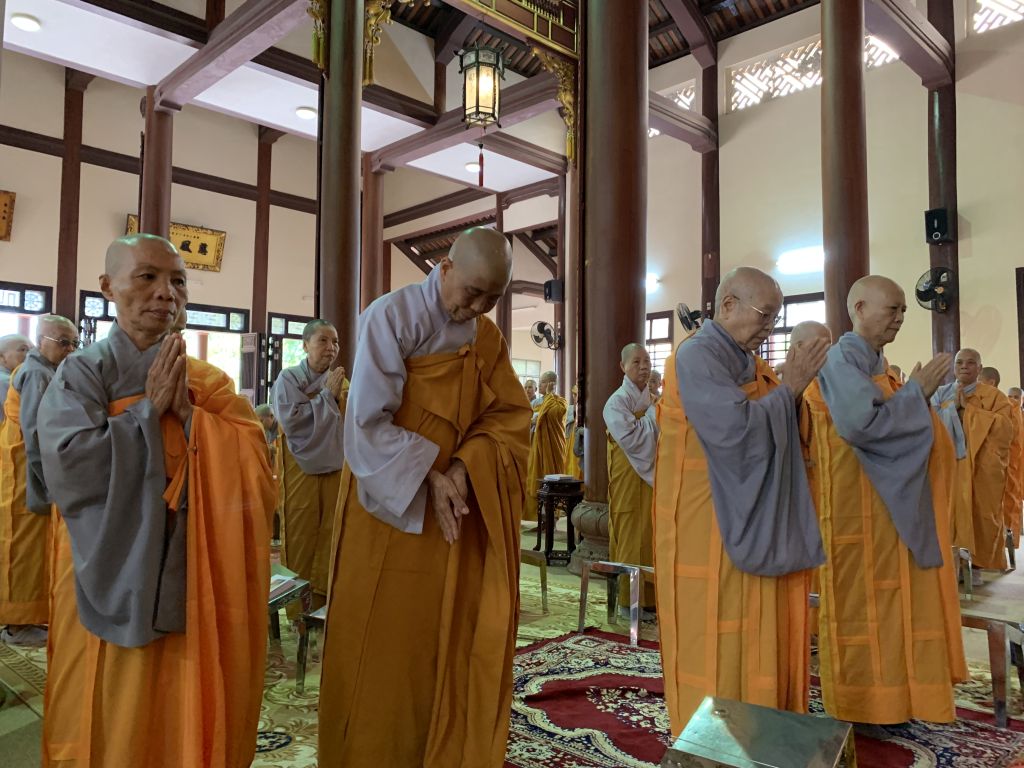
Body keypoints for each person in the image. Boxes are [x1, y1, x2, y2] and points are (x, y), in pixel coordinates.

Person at [38, 234, 275, 767]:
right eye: (147, 277)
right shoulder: (82, 374)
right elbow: (70, 464)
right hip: (104, 561)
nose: (166, 293)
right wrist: (148, 413)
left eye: (178, 282)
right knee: (109, 704)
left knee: (183, 696)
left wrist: (191, 418)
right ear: (108, 287)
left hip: (192, 568)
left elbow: (256, 466)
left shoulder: (208, 384)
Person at [318, 227, 531, 768]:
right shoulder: (390, 317)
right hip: (391, 509)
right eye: (473, 292)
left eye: (492, 299)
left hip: (456, 511)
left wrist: (464, 466)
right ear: (445, 267)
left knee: (447, 641)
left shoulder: (487, 339)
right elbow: (366, 425)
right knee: (384, 649)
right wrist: (430, 477)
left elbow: (508, 417)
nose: (477, 308)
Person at [653, 267, 827, 732]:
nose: (770, 326)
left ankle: (765, 725)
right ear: (728, 305)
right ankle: (716, 736)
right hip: (711, 525)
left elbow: (777, 423)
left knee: (760, 624)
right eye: (765, 315)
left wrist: (791, 397)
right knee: (719, 632)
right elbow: (733, 433)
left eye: (776, 318)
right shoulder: (696, 356)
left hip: (753, 514)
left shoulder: (750, 360)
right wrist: (790, 388)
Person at [802, 275, 966, 724]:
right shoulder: (840, 360)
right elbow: (863, 426)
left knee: (898, 604)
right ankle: (861, 702)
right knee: (863, 608)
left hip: (888, 507)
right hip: (856, 512)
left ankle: (897, 698)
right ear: (858, 309)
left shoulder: (877, 364)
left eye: (903, 311)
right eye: (892, 309)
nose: (899, 318)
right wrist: (917, 393)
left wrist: (913, 396)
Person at [0, 316, 77, 646]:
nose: (70, 349)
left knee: (32, 547)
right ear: (42, 340)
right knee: (22, 546)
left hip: (27, 465)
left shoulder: (45, 370)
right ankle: (17, 625)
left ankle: (27, 617)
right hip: (26, 469)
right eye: (64, 342)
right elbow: (35, 432)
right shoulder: (36, 373)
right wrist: (48, 481)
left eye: (74, 343)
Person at [271, 320, 347, 605]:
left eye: (335, 341)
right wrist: (327, 397)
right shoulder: (289, 379)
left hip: (335, 469)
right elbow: (292, 422)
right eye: (323, 340)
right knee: (300, 533)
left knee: (331, 533)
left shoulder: (342, 384)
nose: (331, 348)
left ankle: (325, 607)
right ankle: (298, 610)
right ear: (305, 345)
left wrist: (334, 396)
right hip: (299, 469)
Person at [932, 349, 1016, 572]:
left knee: (982, 514)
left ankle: (977, 565)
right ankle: (951, 566)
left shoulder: (995, 397)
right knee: (947, 513)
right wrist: (953, 409)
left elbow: (1006, 429)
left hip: (981, 467)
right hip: (948, 466)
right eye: (959, 362)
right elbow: (927, 421)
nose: (964, 366)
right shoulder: (940, 393)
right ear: (954, 367)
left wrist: (969, 411)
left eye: (970, 363)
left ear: (979, 368)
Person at [604, 343, 658, 614]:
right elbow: (633, 439)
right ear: (622, 367)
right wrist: (654, 416)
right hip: (627, 478)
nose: (643, 367)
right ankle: (628, 601)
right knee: (629, 535)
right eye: (636, 362)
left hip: (650, 480)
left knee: (651, 535)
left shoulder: (652, 400)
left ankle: (651, 600)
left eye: (646, 361)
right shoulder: (616, 402)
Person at [524, 370, 567, 522]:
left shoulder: (559, 402)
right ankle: (540, 519)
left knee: (551, 483)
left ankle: (551, 520)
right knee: (536, 481)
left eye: (542, 382)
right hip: (537, 447)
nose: (540, 385)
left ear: (550, 383)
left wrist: (550, 395)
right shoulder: (537, 403)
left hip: (551, 449)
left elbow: (555, 415)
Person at [0, 333, 31, 421]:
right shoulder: (6, 381)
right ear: (1, 357)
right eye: (23, 349)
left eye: (32, 350)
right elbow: (25, 416)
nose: (30, 354)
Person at [563, 383, 582, 481]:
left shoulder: (589, 408)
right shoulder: (570, 409)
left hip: (581, 444)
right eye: (573, 395)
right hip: (570, 441)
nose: (574, 397)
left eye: (576, 394)